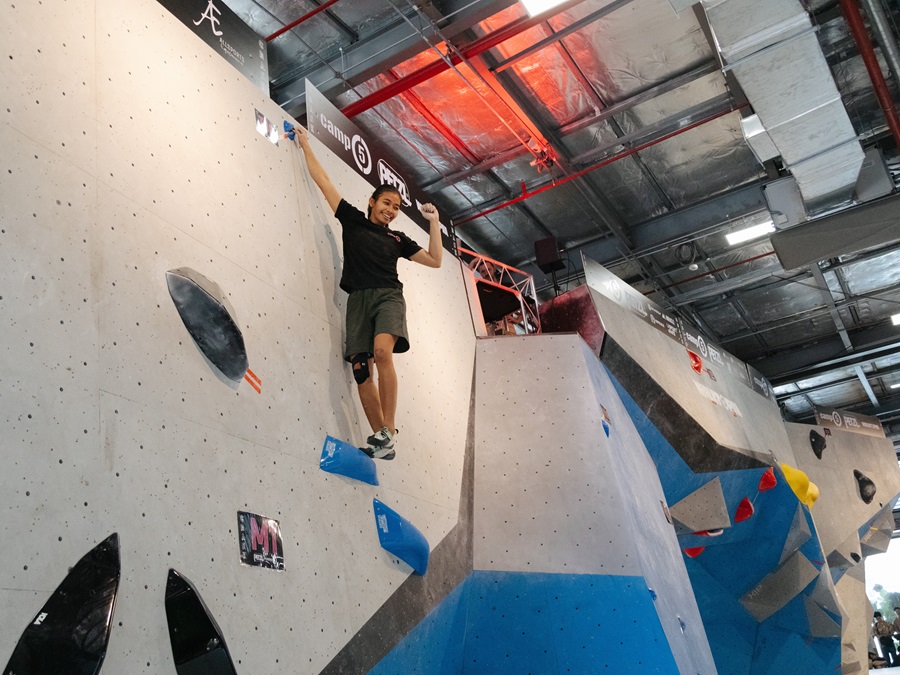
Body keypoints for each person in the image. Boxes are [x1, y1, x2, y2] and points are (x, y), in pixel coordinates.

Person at [293, 125, 442, 459]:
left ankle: (388, 428)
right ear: (372, 202)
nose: (391, 210)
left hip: (388, 296)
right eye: (386, 203)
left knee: (382, 353)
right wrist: (304, 144)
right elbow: (324, 182)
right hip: (357, 299)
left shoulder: (398, 240)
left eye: (396, 208)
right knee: (361, 370)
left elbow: (434, 260)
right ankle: (383, 440)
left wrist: (434, 222)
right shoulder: (353, 220)